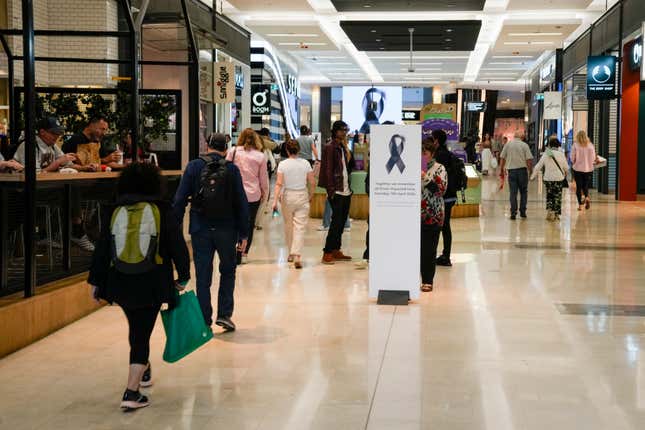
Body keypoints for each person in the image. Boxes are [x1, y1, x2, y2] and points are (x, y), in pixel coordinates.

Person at [88, 162, 190, 411]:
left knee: (137, 327)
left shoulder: (114, 209)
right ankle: (131, 392)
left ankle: (144, 371)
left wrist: (95, 280)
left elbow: (103, 247)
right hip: (153, 280)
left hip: (120, 280)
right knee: (141, 334)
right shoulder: (161, 209)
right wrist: (184, 275)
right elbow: (177, 245)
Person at [173, 133, 249, 332]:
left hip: (200, 228)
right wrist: (244, 234)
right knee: (228, 271)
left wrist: (174, 228)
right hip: (227, 228)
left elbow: (180, 199)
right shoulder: (232, 169)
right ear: (226, 148)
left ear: (207, 145)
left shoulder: (193, 167)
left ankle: (204, 318)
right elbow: (241, 202)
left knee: (203, 275)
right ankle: (224, 315)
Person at [226, 128, 269, 264]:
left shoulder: (232, 152)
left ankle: (232, 252)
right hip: (252, 195)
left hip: (234, 194)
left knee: (233, 223)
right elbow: (263, 178)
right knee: (248, 225)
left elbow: (226, 172)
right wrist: (265, 193)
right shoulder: (260, 156)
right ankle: (243, 253)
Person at [272, 140, 316, 269]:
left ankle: (291, 254)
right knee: (300, 227)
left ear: (287, 150)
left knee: (288, 226)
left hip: (287, 196)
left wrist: (274, 201)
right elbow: (312, 182)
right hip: (302, 195)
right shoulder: (306, 163)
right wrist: (311, 195)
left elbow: (279, 184)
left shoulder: (283, 164)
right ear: (299, 149)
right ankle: (297, 255)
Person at [319, 120, 353, 264]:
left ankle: (335, 249)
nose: (344, 132)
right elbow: (327, 170)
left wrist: (347, 149)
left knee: (341, 223)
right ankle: (327, 251)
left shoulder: (342, 147)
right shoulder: (330, 147)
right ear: (335, 131)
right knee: (335, 223)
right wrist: (331, 191)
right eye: (342, 130)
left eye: (346, 130)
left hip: (346, 190)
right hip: (337, 191)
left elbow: (347, 167)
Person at [420, 137, 447, 292]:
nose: (423, 155)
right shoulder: (410, 167)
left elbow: (440, 190)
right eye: (421, 152)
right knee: (417, 248)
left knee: (429, 249)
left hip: (433, 214)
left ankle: (427, 280)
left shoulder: (439, 168)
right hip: (414, 214)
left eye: (425, 152)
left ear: (431, 153)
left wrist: (425, 177)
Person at [13, 117, 84, 173]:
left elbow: (69, 165)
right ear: (42, 132)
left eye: (59, 133)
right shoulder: (28, 145)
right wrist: (58, 162)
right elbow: (35, 175)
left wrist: (86, 167)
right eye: (53, 133)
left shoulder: (52, 145)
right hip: (22, 187)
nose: (57, 136)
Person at [433, 129, 459, 267]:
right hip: (451, 195)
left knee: (439, 226)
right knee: (445, 225)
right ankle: (445, 254)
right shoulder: (449, 154)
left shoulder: (438, 155)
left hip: (442, 195)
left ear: (436, 140)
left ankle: (441, 255)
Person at [531, 137, 568, 221]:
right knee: (557, 196)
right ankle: (556, 214)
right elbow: (566, 168)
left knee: (550, 195)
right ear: (558, 145)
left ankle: (550, 211)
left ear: (549, 145)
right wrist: (565, 173)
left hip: (548, 178)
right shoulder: (561, 154)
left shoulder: (546, 154)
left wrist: (532, 176)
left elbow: (538, 166)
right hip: (559, 178)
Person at [500, 130, 533, 220]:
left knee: (513, 192)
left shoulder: (508, 144)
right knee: (523, 192)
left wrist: (501, 170)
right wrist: (531, 171)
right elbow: (529, 160)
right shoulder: (524, 145)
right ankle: (522, 212)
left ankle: (513, 213)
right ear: (522, 137)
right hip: (522, 171)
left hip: (512, 171)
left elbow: (502, 157)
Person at [571, 130, 597, 211]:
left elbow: (572, 157)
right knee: (585, 185)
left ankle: (580, 205)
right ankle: (586, 197)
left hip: (578, 169)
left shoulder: (575, 145)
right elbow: (593, 158)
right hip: (588, 169)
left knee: (579, 187)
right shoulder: (590, 145)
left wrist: (574, 162)